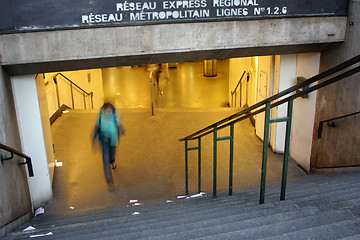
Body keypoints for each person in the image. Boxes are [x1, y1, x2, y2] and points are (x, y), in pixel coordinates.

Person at [93, 103, 125, 191]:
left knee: (112, 154)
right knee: (105, 161)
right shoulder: (100, 119)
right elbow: (96, 128)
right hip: (104, 142)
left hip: (113, 141)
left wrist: (122, 130)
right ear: (103, 111)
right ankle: (110, 182)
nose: (108, 113)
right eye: (106, 111)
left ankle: (113, 161)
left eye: (110, 111)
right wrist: (95, 136)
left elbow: (120, 125)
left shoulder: (115, 118)